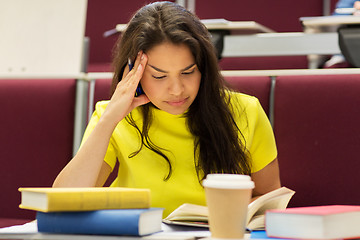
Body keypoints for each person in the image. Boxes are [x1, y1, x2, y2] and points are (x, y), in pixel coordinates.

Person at [53, 1, 281, 217]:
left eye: (188, 72)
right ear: (134, 72)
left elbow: (267, 199)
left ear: (204, 68)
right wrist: (110, 119)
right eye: (159, 76)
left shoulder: (245, 111)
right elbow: (62, 202)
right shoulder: (113, 117)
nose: (176, 90)